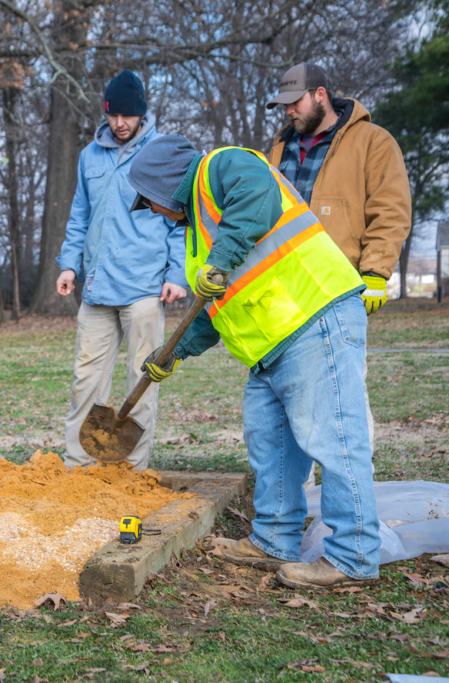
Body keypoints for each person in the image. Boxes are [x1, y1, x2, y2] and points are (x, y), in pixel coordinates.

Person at [128, 135, 380, 589]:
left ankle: (353, 557)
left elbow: (257, 193)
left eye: (147, 201)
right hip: (270, 346)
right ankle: (273, 540)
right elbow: (215, 308)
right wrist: (174, 353)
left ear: (164, 186)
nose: (150, 211)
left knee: (334, 439)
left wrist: (221, 259)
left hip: (313, 316)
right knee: (272, 446)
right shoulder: (199, 232)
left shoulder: (222, 168)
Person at [267, 62, 412, 484]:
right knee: (291, 394)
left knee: (343, 395)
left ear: (320, 95)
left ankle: (351, 489)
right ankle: (305, 494)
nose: (288, 111)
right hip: (285, 288)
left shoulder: (373, 142)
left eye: (294, 102)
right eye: (284, 105)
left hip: (339, 286)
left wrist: (376, 271)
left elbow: (391, 209)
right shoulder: (277, 147)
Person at [55, 70, 187, 471]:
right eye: (113, 116)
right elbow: (80, 215)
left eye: (128, 117)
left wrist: (177, 274)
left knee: (142, 380)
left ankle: (132, 469)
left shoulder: (161, 152)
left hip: (145, 288)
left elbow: (181, 220)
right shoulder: (89, 156)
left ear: (142, 115)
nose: (120, 124)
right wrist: (68, 266)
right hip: (96, 288)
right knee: (85, 380)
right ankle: (77, 465)